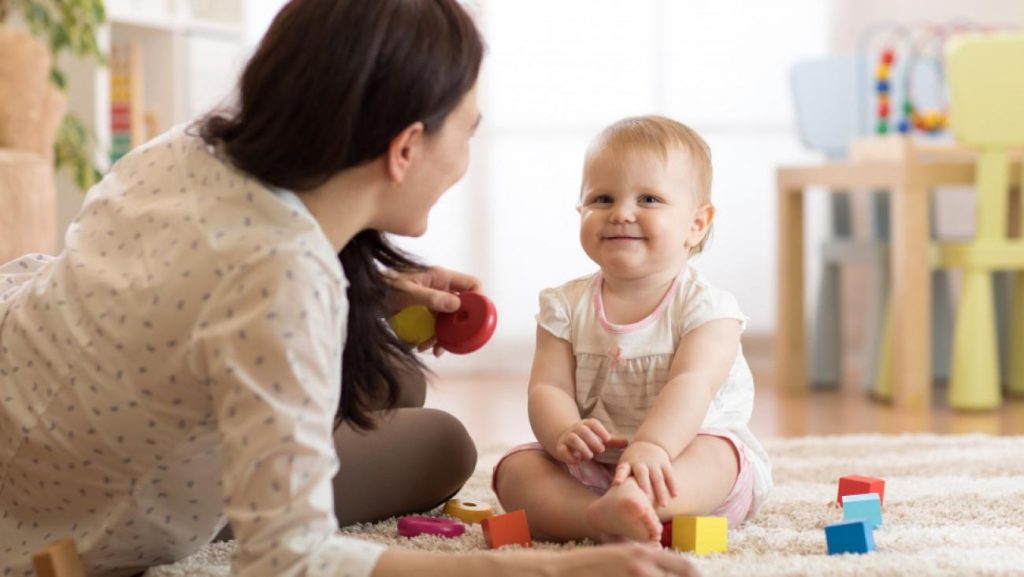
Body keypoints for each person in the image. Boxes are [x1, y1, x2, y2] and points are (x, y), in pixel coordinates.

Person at [0, 1, 699, 576]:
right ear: (406, 148)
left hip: (31, 386)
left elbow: (204, 278)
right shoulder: (283, 285)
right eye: (467, 133)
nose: (465, 158)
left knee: (398, 374)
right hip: (73, 519)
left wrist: (377, 286)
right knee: (443, 445)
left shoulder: (189, 147)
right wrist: (548, 570)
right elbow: (287, 559)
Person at [492, 116, 773, 544]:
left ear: (697, 223)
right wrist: (564, 431)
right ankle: (596, 516)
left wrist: (654, 446)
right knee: (516, 470)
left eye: (649, 199)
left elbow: (692, 384)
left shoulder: (708, 309)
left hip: (681, 458)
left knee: (720, 456)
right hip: (595, 467)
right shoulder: (564, 306)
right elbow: (548, 387)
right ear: (581, 211)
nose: (621, 213)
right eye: (602, 199)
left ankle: (640, 503)